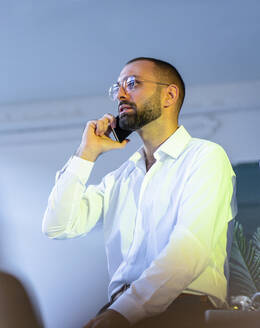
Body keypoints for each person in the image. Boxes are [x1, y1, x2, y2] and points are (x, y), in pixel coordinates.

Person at [42, 57, 237, 328]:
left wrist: (123, 312)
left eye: (132, 84)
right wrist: (85, 154)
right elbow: (57, 226)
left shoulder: (205, 156)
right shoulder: (120, 179)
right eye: (117, 88)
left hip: (181, 312)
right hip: (118, 312)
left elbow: (189, 248)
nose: (120, 95)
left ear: (169, 95)